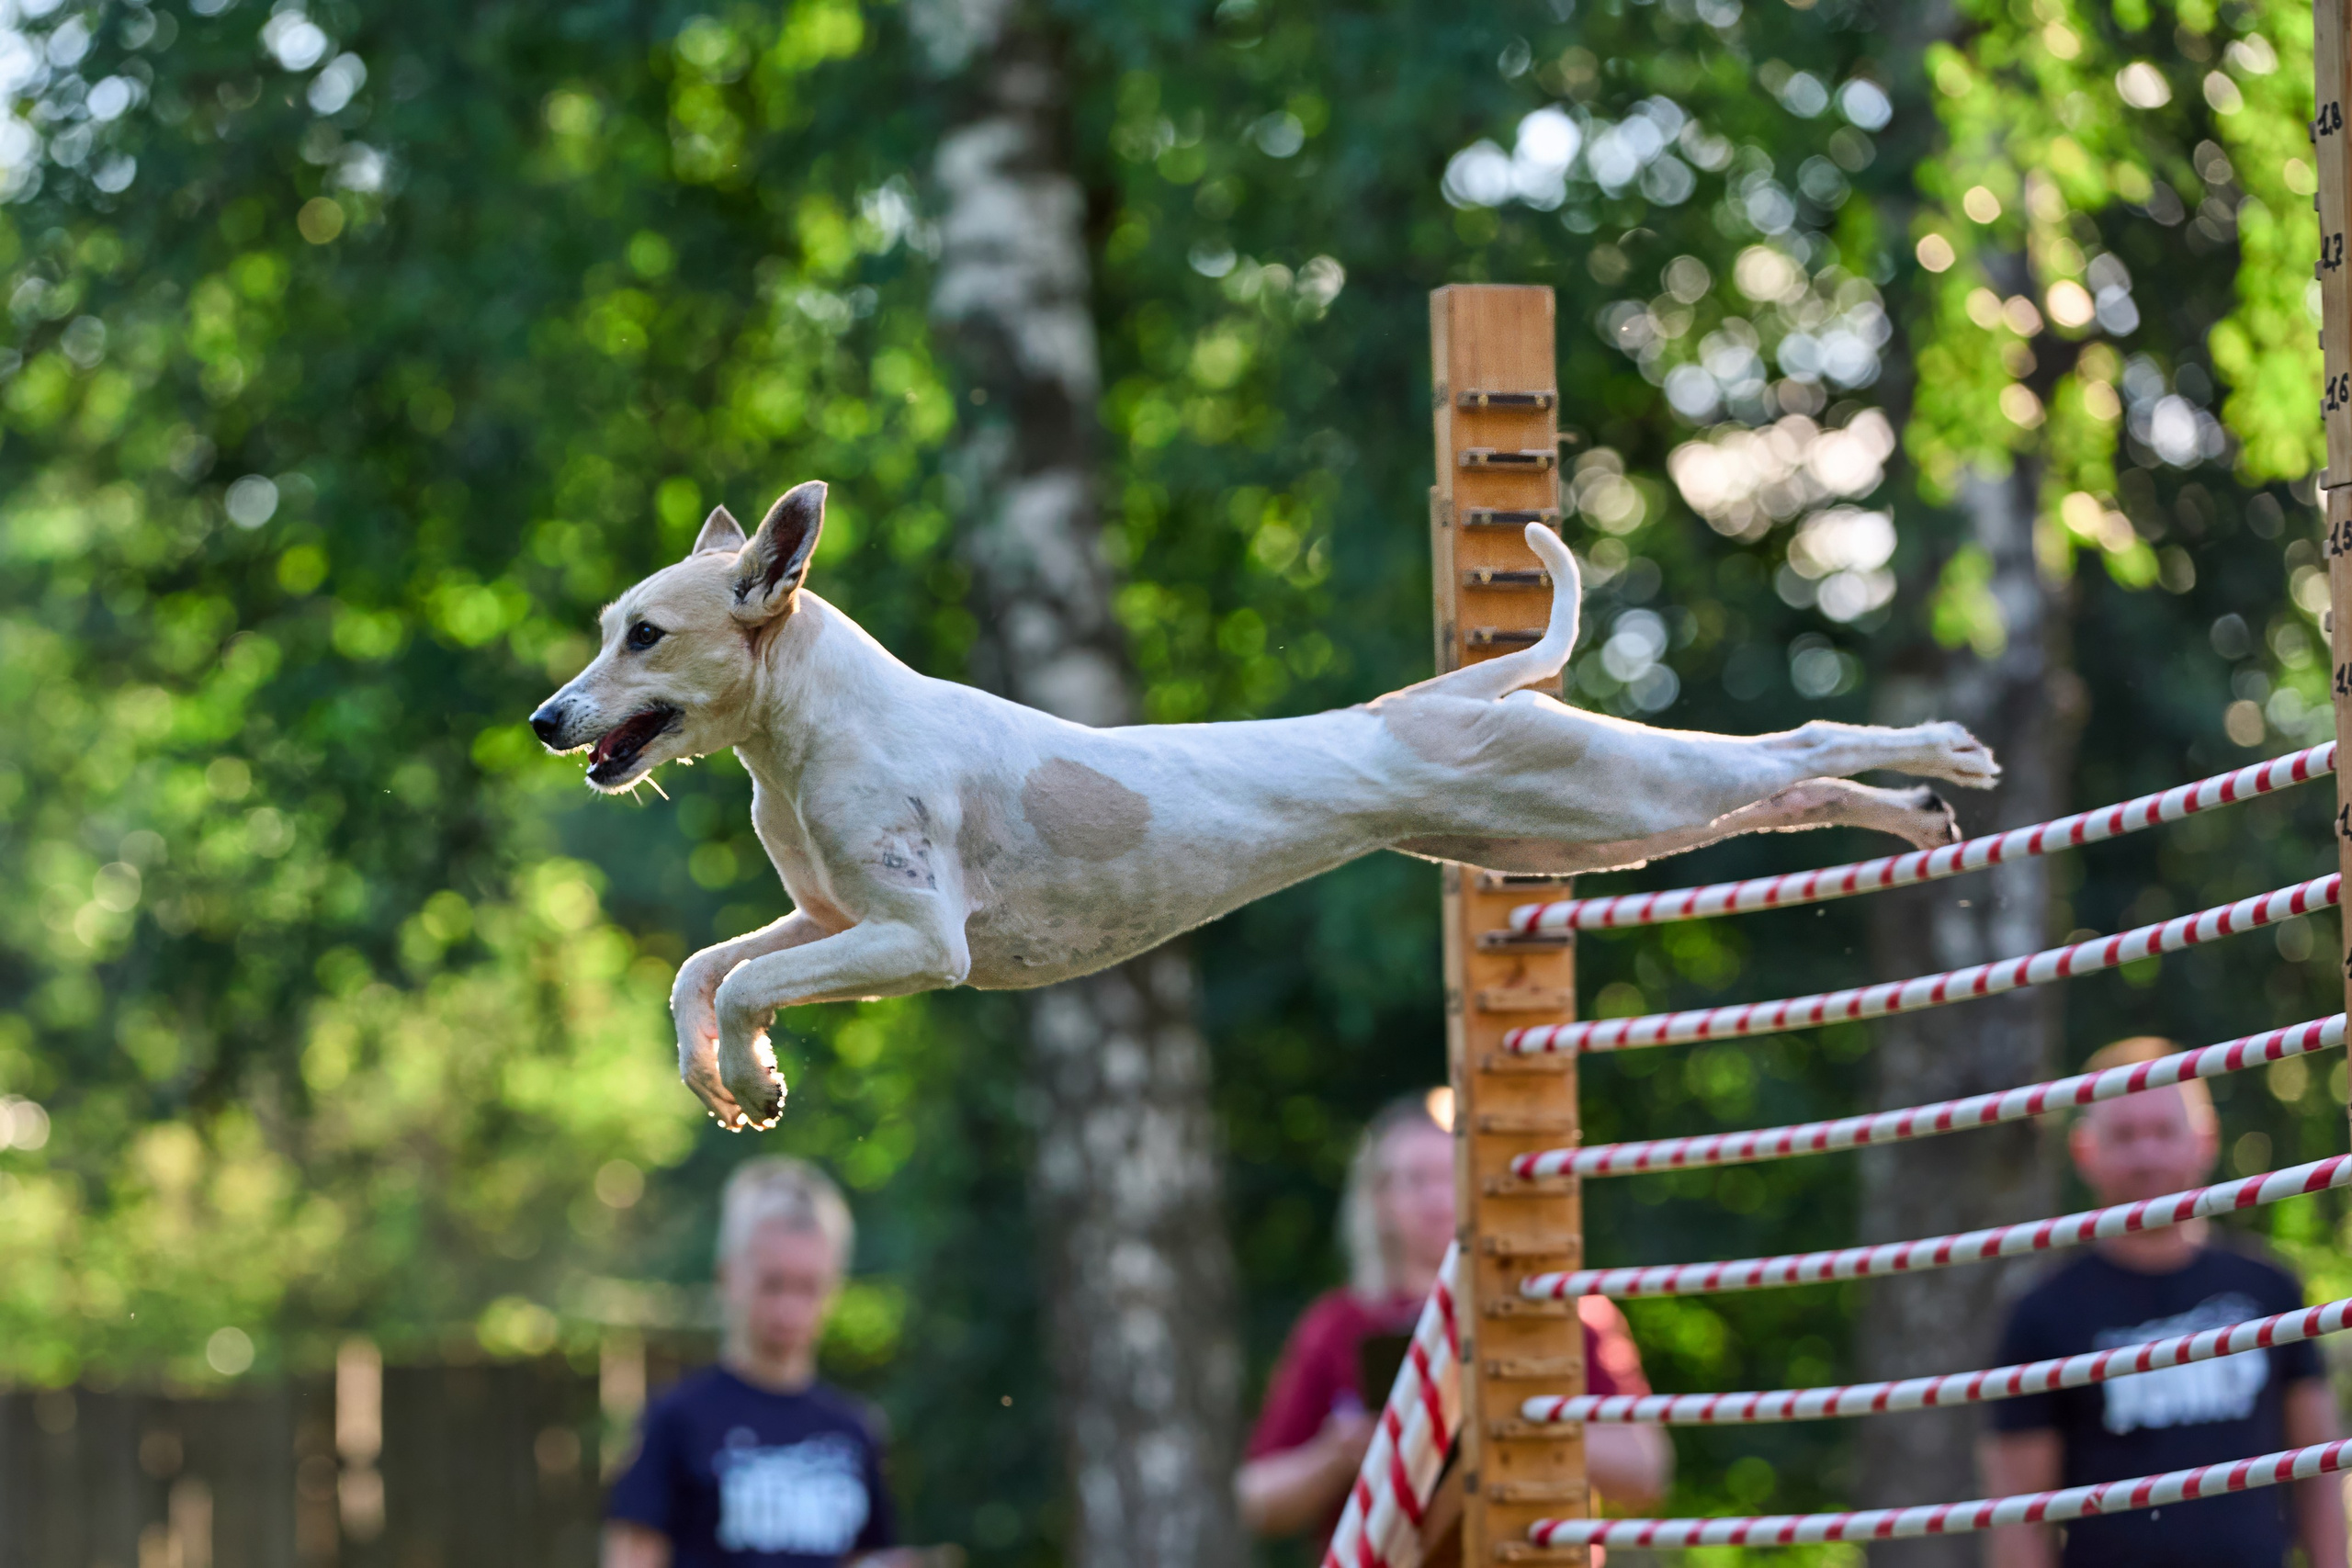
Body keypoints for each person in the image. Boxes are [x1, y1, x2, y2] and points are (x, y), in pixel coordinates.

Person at [1237, 1091, 1671, 1549]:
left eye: (1452, 1174)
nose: (1438, 1198)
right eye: (1415, 1179)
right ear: (1379, 1198)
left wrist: (1520, 1416)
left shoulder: (1559, 1306)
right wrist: (1337, 1455)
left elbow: (1647, 1473)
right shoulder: (1337, 1325)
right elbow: (1256, 1498)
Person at [1979, 1037, 2346, 1568]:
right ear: (2085, 1150)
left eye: (2164, 1131)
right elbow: (2019, 1521)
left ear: (2205, 1139)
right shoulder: (2042, 1314)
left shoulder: (2271, 1289)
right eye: (2124, 1135)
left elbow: (2319, 1470)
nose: (2146, 1155)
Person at [605, 1157, 922, 1568]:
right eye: (773, 1284)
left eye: (808, 1287)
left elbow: (869, 1558)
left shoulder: (854, 1430)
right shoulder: (677, 1420)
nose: (790, 1310)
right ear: (727, 1276)